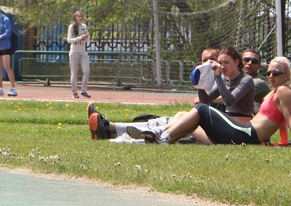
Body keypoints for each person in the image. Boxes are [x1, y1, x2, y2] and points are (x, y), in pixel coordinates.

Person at [148, 56, 291, 147]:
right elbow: (281, 122)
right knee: (195, 113)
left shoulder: (284, 91)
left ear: (286, 75)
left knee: (202, 109)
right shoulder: (275, 92)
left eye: (275, 73)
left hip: (247, 133)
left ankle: (161, 134)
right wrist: (283, 142)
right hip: (246, 132)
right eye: (269, 73)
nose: (271, 76)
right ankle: (162, 139)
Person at [88, 47, 218, 140]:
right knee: (159, 121)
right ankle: (109, 129)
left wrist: (208, 100)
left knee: (174, 120)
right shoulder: (207, 80)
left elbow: (230, 99)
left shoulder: (224, 80)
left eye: (212, 59)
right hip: (200, 123)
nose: (209, 64)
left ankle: (110, 129)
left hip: (207, 128)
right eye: (205, 60)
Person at [0, 3, 17, 97]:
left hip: (5, 46)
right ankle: (0, 88)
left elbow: (8, 32)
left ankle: (13, 88)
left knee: (7, 67)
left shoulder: (5, 19)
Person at [67, 10, 90, 98]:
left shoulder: (84, 26)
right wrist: (80, 37)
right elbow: (69, 40)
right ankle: (74, 92)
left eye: (82, 16)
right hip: (74, 51)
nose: (81, 18)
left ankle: (84, 91)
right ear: (75, 17)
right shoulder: (72, 27)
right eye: (79, 16)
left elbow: (87, 37)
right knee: (74, 72)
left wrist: (86, 38)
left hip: (83, 51)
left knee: (86, 70)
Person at [241, 49, 270, 114]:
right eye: (246, 60)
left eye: (254, 61)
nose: (250, 63)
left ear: (259, 66)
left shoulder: (259, 82)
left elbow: (232, 98)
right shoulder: (236, 78)